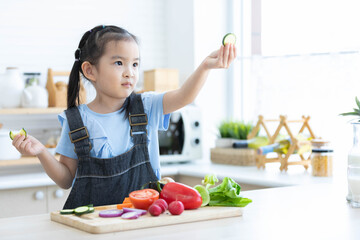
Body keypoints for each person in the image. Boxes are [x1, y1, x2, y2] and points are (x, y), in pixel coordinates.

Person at [12, 25, 236, 209]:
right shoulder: (76, 120)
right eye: (119, 63)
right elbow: (65, 179)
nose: (130, 71)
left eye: (135, 63)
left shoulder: (147, 106)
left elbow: (184, 96)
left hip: (145, 224)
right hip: (94, 230)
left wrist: (206, 66)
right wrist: (41, 152)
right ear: (90, 71)